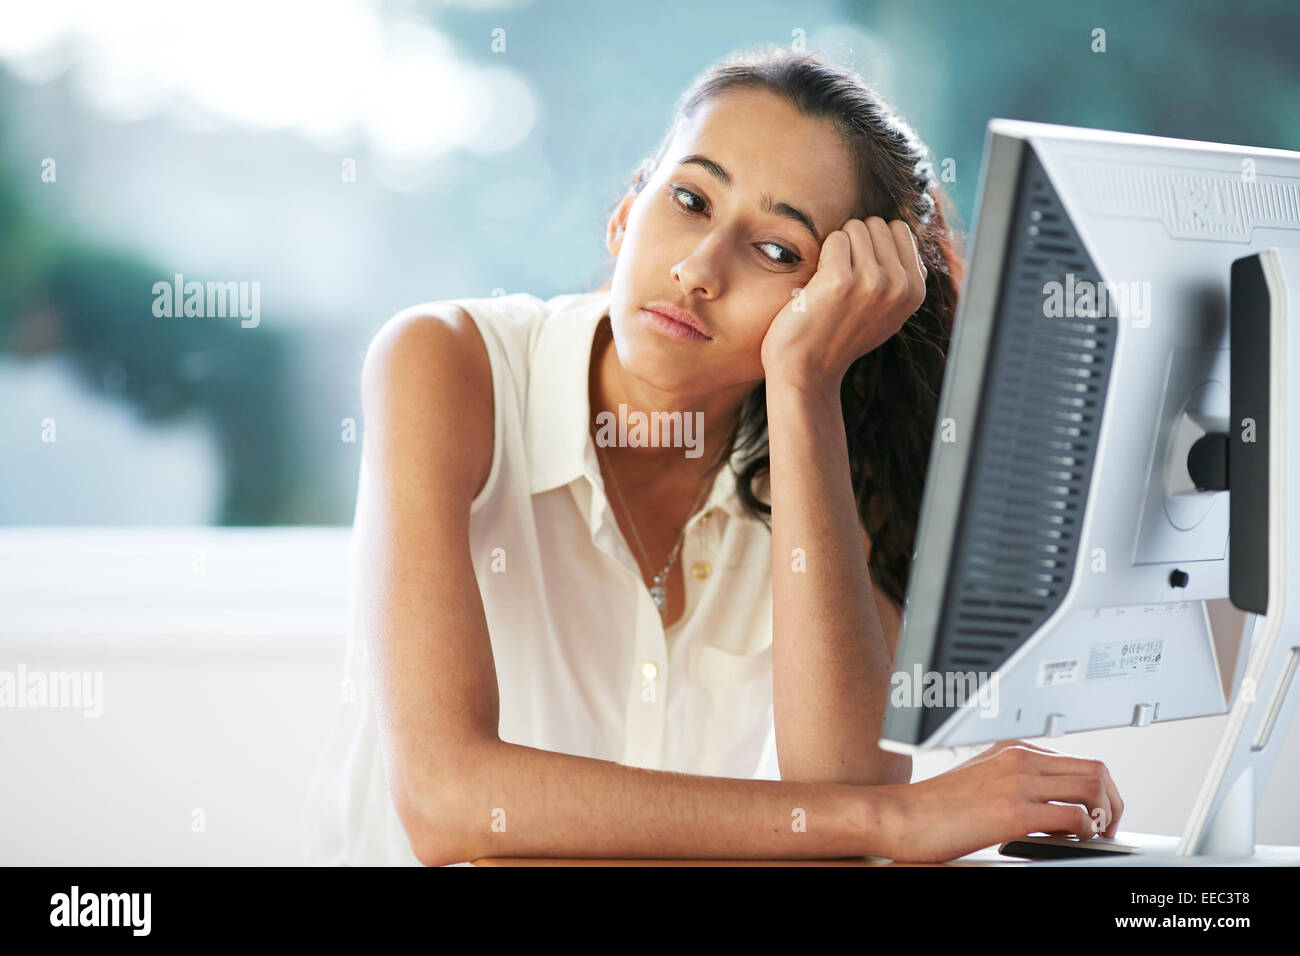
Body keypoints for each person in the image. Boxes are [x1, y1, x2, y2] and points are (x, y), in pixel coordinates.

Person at [304, 45, 1124, 866]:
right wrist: (895, 820)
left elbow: (842, 782)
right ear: (627, 215)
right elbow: (448, 802)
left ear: (843, 309)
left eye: (778, 252)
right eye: (690, 199)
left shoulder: (831, 455)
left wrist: (805, 384)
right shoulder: (444, 362)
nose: (699, 270)